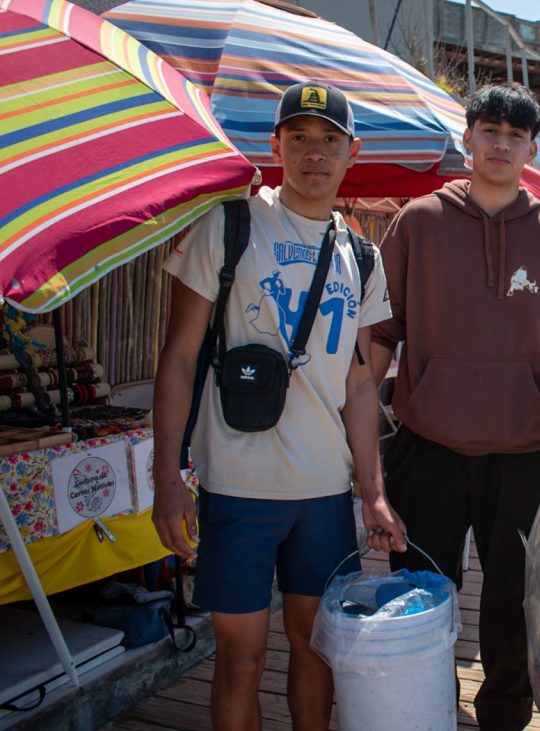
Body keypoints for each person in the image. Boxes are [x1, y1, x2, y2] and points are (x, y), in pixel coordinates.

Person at [151, 82, 407, 731]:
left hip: (322, 494)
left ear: (352, 151)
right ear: (275, 146)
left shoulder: (361, 255)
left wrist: (371, 491)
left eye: (328, 141)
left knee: (315, 649)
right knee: (239, 658)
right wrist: (166, 480)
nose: (313, 154)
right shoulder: (228, 226)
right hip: (236, 488)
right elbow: (179, 358)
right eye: (299, 138)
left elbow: (356, 385)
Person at [369, 81, 540, 730]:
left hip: (525, 454)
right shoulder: (418, 221)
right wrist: (349, 422)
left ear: (532, 148)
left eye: (515, 134)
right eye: (488, 130)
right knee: (418, 596)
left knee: (515, 604)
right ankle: (423, 709)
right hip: (426, 446)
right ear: (465, 137)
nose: (500, 143)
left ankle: (502, 718)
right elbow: (381, 332)